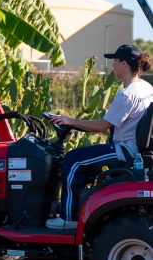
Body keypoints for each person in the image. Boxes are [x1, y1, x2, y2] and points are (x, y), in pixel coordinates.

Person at [46, 44, 153, 230]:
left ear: (125, 64)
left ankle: (68, 219)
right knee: (84, 160)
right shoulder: (146, 87)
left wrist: (69, 120)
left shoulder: (127, 95)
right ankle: (80, 206)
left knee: (73, 159)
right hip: (136, 150)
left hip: (125, 150)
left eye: (115, 62)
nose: (113, 66)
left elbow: (102, 126)